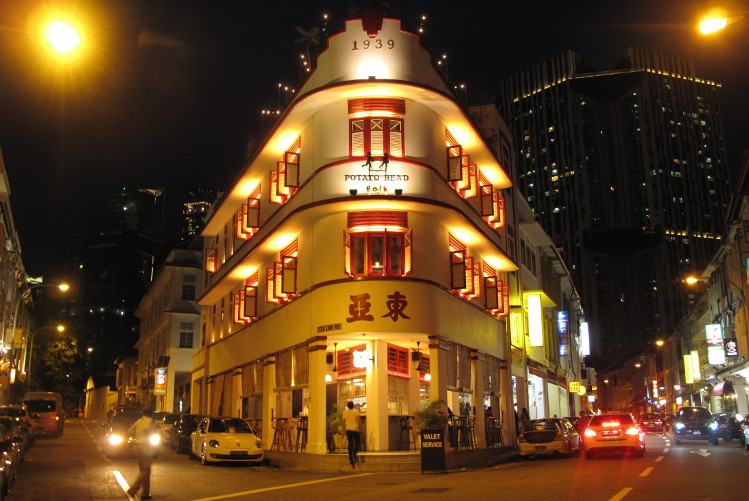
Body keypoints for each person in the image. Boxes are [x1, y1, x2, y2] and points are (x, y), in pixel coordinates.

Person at [127, 409, 156, 500]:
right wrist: (147, 436)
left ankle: (145, 493)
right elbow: (147, 430)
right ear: (150, 414)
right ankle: (133, 490)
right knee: (146, 470)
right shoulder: (149, 421)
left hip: (137, 447)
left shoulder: (139, 421)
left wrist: (136, 437)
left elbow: (130, 431)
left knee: (145, 471)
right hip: (145, 447)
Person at [341, 401, 362, 468]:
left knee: (350, 443)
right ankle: (354, 453)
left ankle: (350, 458)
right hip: (355, 429)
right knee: (358, 442)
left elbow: (343, 423)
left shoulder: (345, 413)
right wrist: (361, 427)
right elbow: (358, 420)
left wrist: (343, 431)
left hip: (348, 430)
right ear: (353, 405)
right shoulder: (356, 411)